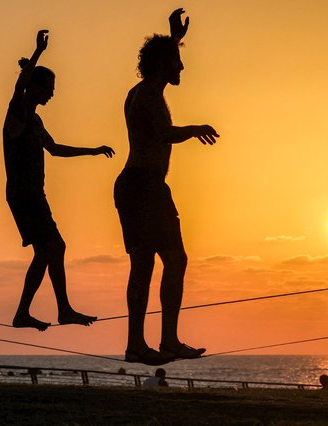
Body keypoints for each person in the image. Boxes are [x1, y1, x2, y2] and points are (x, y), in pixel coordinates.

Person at [114, 8, 219, 365]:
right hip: (143, 187)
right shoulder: (146, 97)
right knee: (172, 261)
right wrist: (195, 128)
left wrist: (174, 39)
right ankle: (161, 342)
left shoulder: (147, 90)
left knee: (151, 265)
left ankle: (143, 345)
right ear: (162, 65)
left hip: (141, 187)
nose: (182, 68)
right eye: (177, 61)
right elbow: (163, 134)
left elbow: (161, 59)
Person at [3, 30, 115, 331]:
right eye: (49, 87)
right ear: (35, 87)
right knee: (55, 245)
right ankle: (57, 310)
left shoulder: (36, 121)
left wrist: (92, 151)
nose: (52, 93)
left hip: (32, 194)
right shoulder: (19, 111)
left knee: (49, 249)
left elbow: (54, 149)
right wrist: (38, 52)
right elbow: (19, 87)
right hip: (24, 194)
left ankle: (29, 313)